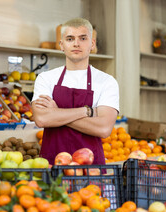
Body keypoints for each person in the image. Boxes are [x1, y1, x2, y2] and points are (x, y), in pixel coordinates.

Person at [32, 18, 119, 166]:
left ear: (92, 44)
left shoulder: (107, 81)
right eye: (70, 38)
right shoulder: (45, 78)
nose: (76, 43)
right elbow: (42, 119)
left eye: (83, 38)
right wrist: (88, 111)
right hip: (53, 163)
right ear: (61, 45)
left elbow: (104, 128)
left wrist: (57, 113)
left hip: (90, 168)